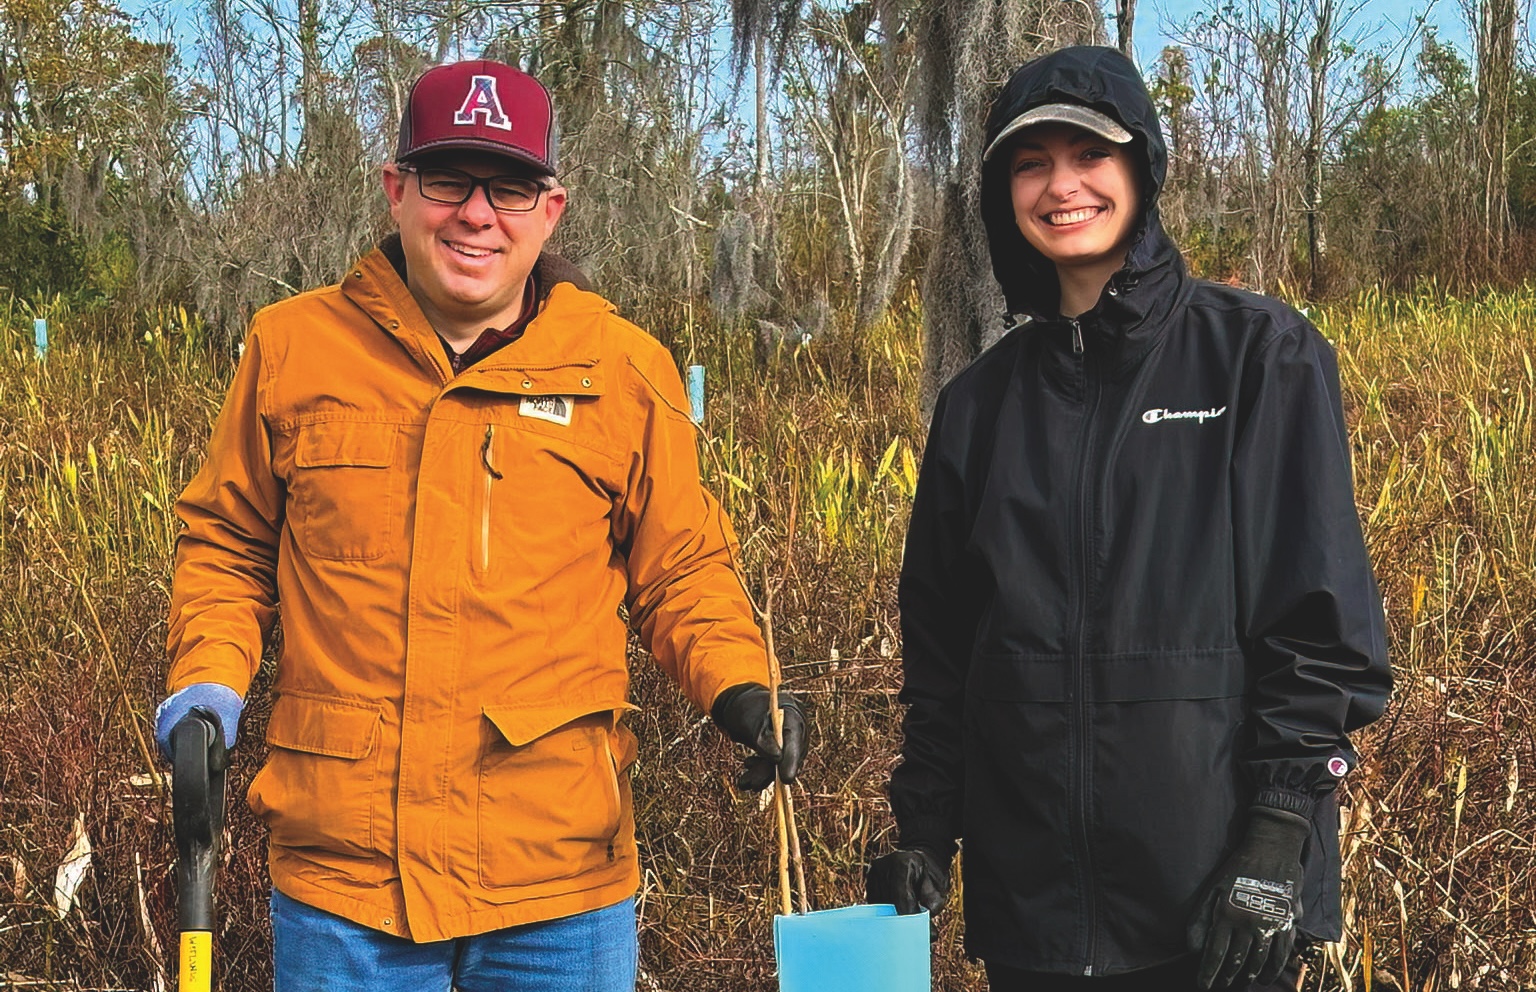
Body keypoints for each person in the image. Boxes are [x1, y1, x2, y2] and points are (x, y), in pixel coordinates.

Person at [154, 58, 807, 990]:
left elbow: (683, 570)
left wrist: (742, 685)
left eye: (508, 186)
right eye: (448, 179)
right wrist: (208, 687)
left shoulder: (623, 370)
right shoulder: (290, 347)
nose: (476, 213)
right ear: (396, 191)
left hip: (559, 880)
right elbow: (228, 546)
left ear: (551, 208)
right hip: (346, 881)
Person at [866, 45, 1390, 991]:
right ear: (1002, 194)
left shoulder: (1258, 357)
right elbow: (945, 653)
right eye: (1032, 163)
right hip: (1033, 916)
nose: (1061, 186)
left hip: (1216, 907)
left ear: (1143, 167)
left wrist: (1280, 833)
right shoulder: (979, 405)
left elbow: (1322, 629)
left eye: (1089, 155)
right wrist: (921, 829)